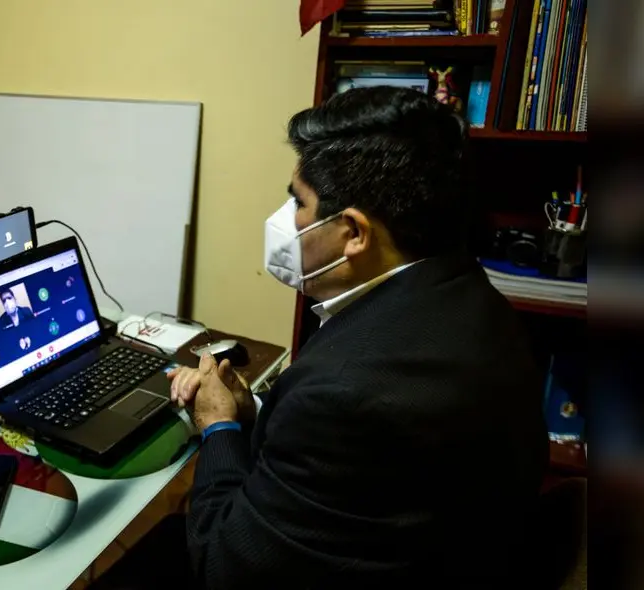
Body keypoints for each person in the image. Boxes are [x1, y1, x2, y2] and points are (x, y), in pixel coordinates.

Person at [92, 87, 547, 589]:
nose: (286, 220)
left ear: (354, 232)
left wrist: (218, 425)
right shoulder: (468, 295)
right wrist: (258, 411)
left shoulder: (347, 394)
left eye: (298, 201)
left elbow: (224, 565)